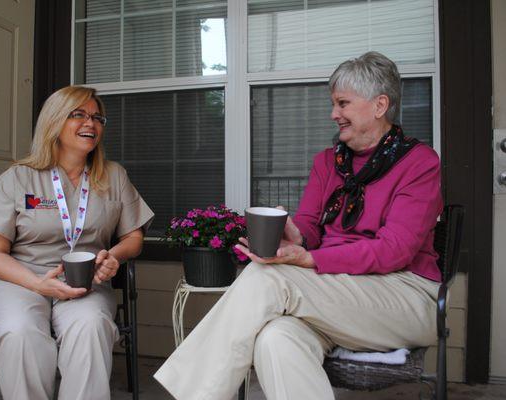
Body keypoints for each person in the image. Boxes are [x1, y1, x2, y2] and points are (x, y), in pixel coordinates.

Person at [154, 51, 442, 400]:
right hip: (335, 293)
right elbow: (310, 226)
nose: (334, 114)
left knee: (267, 277)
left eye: (343, 103)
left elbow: (395, 250)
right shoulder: (328, 161)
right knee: (277, 338)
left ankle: (192, 395)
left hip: (402, 297)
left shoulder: (419, 163)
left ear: (379, 105)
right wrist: (296, 234)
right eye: (334, 104)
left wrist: (309, 260)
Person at [0, 86, 154, 400]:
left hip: (86, 282)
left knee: (91, 326)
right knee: (19, 330)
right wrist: (38, 285)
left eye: (97, 118)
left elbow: (133, 237)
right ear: (55, 121)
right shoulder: (18, 178)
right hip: (19, 280)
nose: (91, 123)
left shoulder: (113, 176)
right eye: (78, 114)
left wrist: (114, 255)